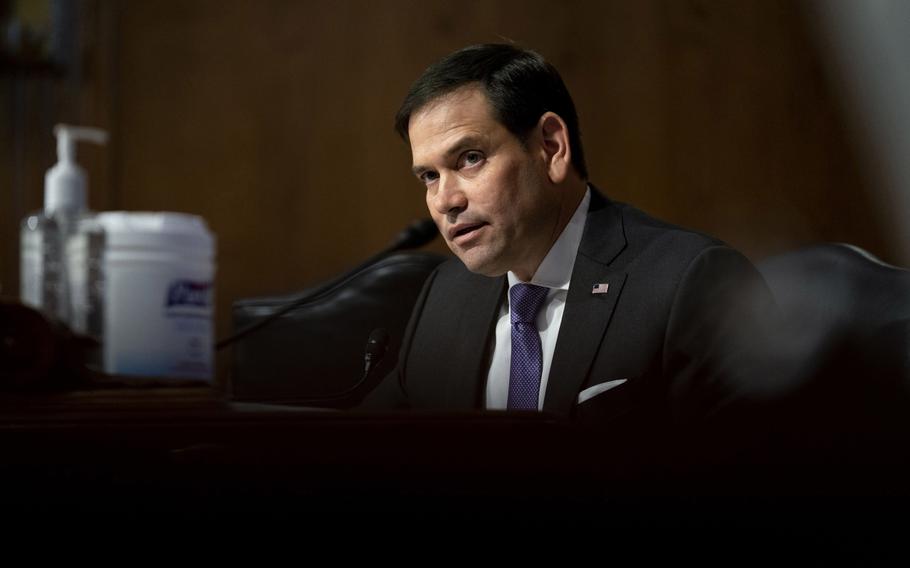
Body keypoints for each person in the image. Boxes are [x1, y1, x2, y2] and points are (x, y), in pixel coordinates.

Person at [364, 43, 776, 430]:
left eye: (470, 159)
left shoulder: (689, 283)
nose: (445, 200)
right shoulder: (445, 297)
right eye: (429, 177)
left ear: (551, 146)